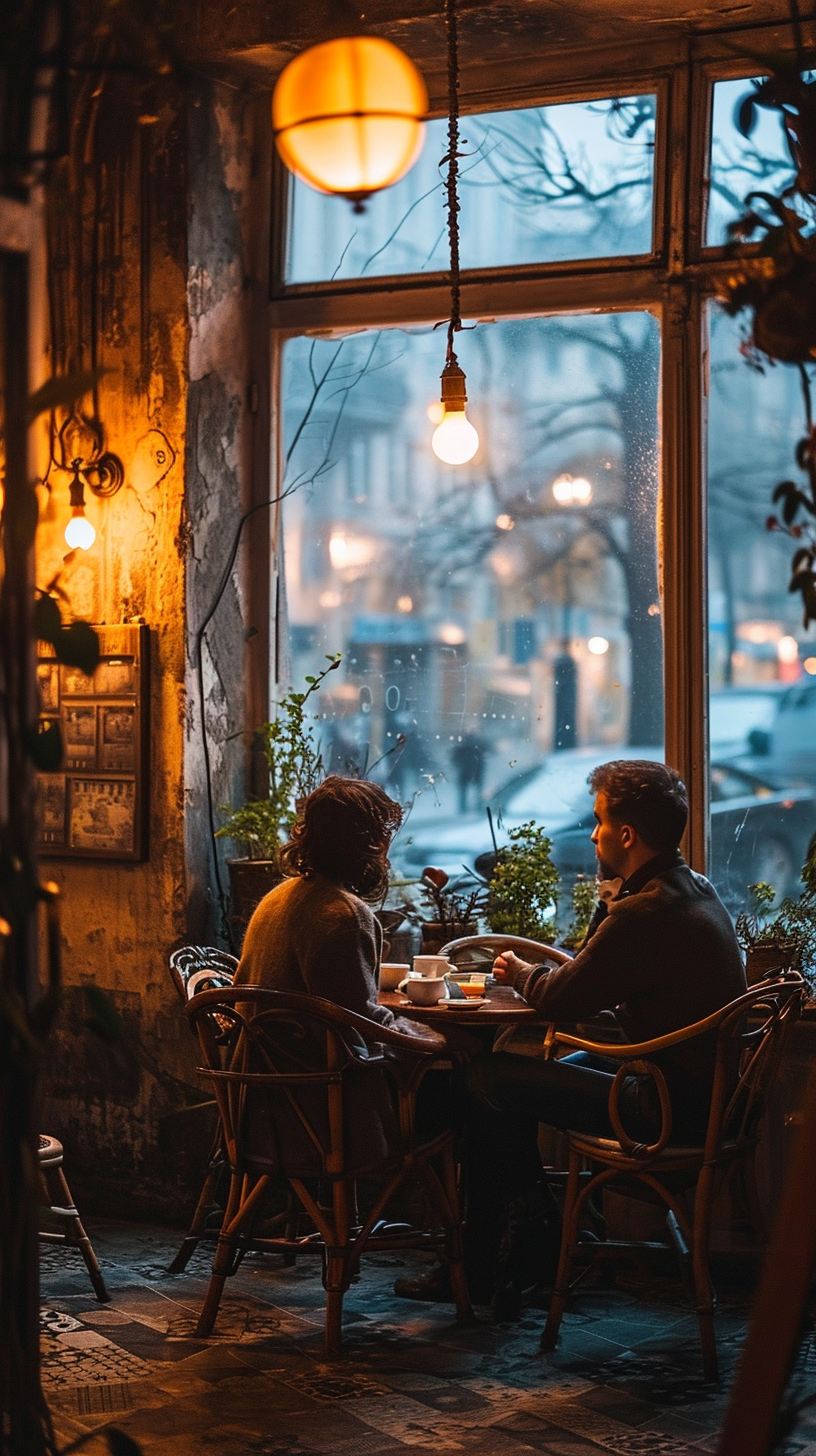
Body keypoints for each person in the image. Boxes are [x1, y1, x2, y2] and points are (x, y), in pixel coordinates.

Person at [395, 758, 747, 1312]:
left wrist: (517, 972)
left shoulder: (644, 914)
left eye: (599, 822)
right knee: (506, 1089)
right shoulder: (690, 888)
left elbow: (563, 995)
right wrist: (611, 896)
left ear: (626, 834)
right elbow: (591, 969)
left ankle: (519, 1242)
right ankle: (519, 1246)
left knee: (485, 1076)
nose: (592, 833)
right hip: (704, 1095)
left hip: (664, 1108)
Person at [235, 776, 447, 1167]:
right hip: (322, 1116)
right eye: (382, 838)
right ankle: (451, 1221)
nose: (386, 849)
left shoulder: (277, 898)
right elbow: (358, 1022)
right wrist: (437, 1042)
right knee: (461, 1090)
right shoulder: (344, 914)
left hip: (259, 1106)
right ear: (367, 844)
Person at [451, 730, 487, 814]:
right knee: (475, 791)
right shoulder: (478, 745)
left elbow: (455, 757)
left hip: (466, 771)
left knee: (465, 791)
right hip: (474, 771)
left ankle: (464, 808)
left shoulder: (463, 746)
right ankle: (476, 807)